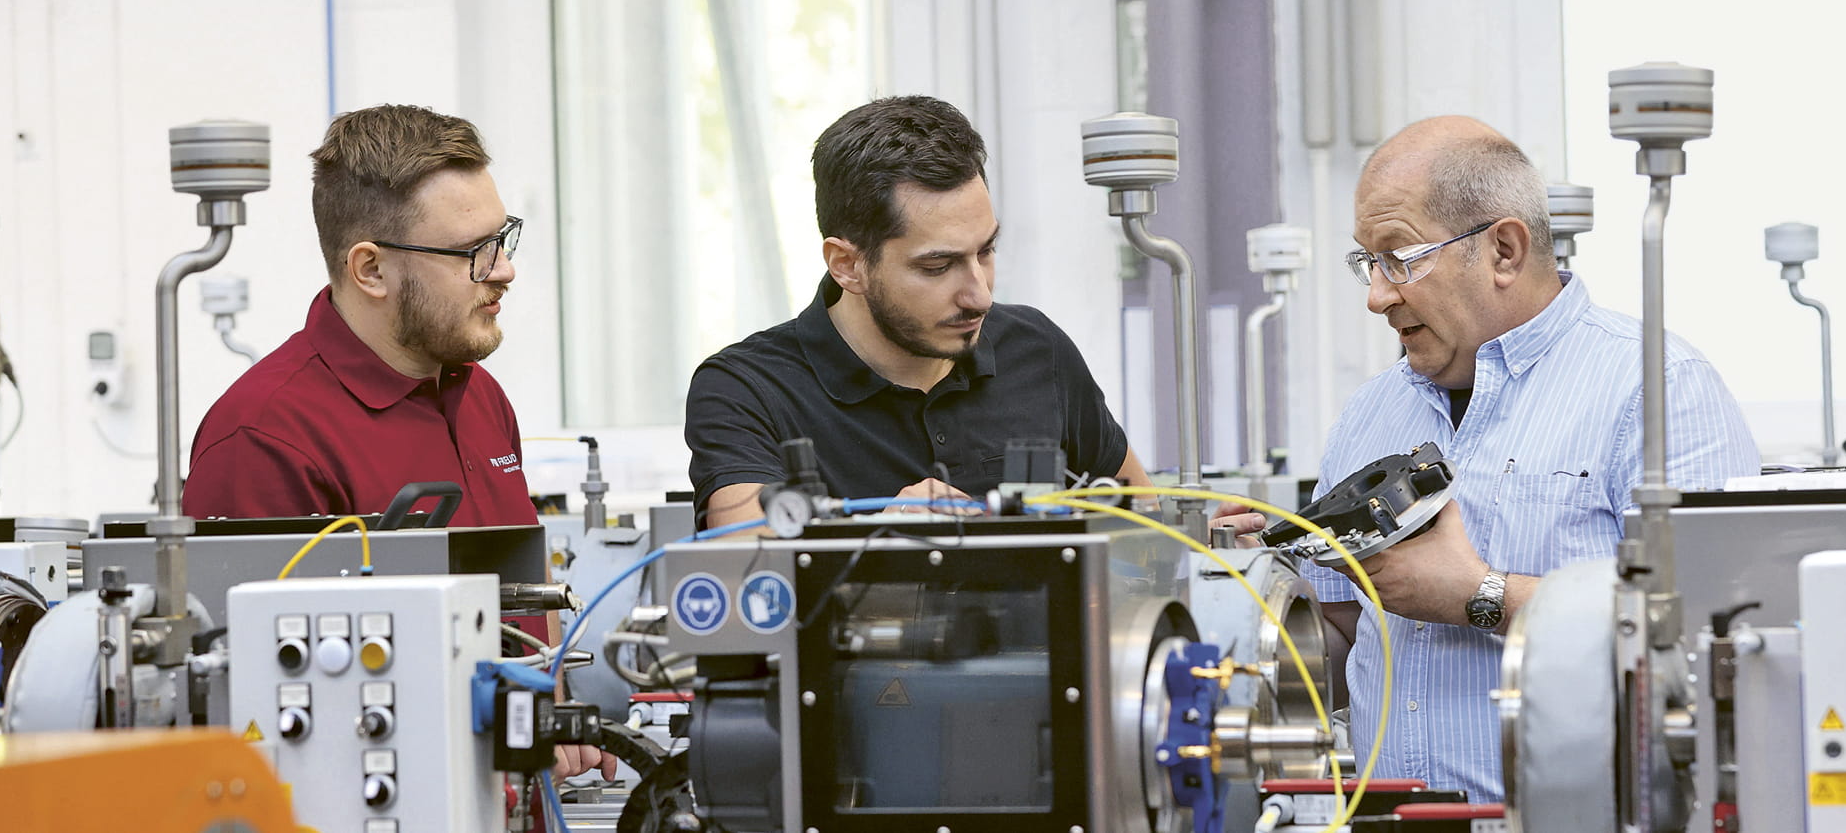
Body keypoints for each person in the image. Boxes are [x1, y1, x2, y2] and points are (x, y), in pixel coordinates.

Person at [1299, 116, 1758, 800]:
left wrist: (1482, 597)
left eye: (1400, 258)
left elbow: (1718, 645)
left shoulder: (1657, 390)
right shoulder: (1370, 413)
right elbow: (1339, 628)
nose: (1377, 296)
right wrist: (1266, 579)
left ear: (1504, 252)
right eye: (1368, 263)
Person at [184, 104, 614, 781]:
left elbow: (523, 609)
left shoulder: (480, 397)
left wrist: (556, 721)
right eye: (474, 251)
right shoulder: (265, 439)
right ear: (371, 270)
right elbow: (267, 722)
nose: (503, 271)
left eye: (503, 238)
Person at [685, 95, 1148, 527]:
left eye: (985, 252)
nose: (979, 295)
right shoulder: (745, 389)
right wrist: (886, 542)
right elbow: (745, 578)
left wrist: (1207, 529)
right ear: (848, 266)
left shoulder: (1036, 348)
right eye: (938, 266)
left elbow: (1144, 524)